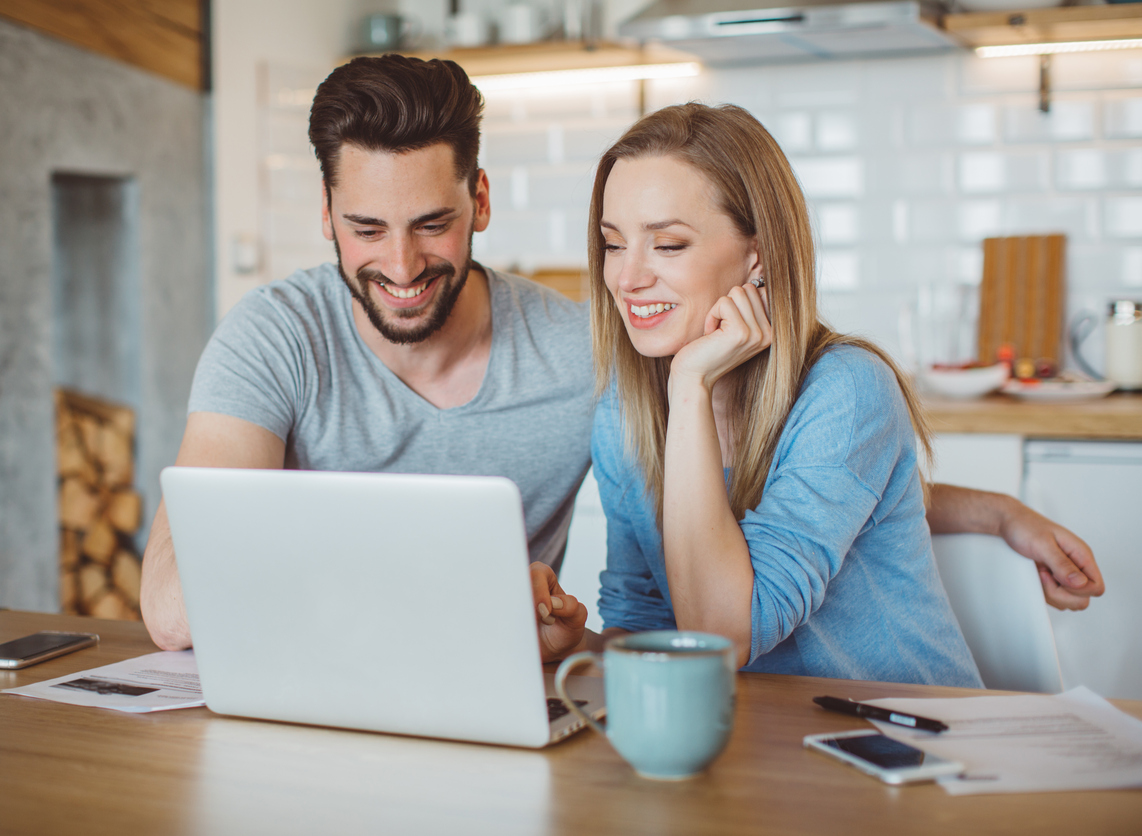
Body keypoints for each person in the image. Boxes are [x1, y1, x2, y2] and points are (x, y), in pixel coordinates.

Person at [142, 55, 1102, 653]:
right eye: (612, 241)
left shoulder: (594, 364)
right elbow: (183, 613)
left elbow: (792, 496)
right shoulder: (280, 336)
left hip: (872, 746)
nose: (399, 265)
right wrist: (576, 644)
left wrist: (976, 508)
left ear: (481, 203)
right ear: (326, 219)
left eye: (431, 223)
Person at [529, 103, 1095, 686]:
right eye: (614, 244)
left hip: (911, 740)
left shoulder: (846, 390)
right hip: (760, 746)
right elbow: (648, 626)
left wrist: (691, 388)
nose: (626, 278)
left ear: (759, 255)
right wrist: (582, 646)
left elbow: (722, 634)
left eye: (668, 245)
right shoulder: (625, 414)